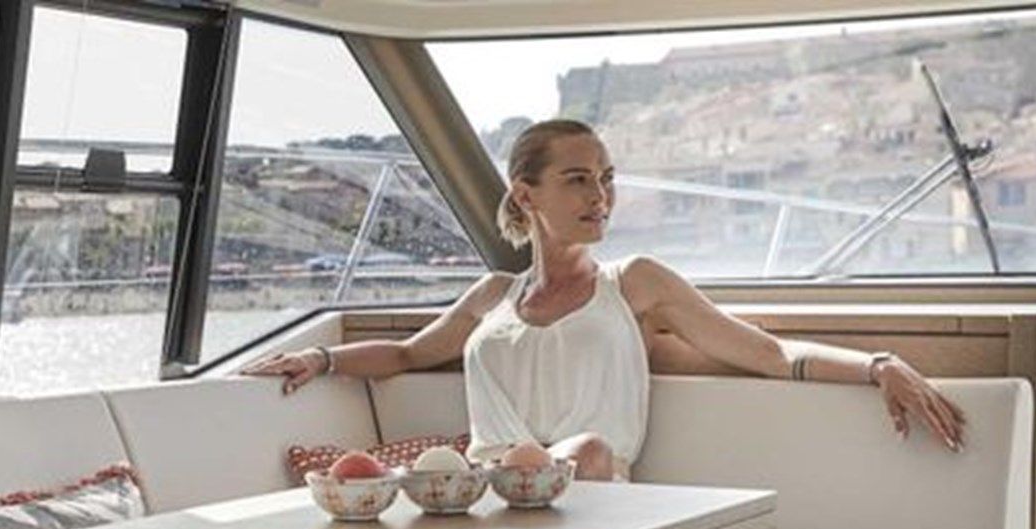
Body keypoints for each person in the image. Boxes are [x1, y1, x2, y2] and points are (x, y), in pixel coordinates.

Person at [242, 119, 966, 482]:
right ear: (527, 195)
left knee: (584, 450)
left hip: (586, 508)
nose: (602, 196)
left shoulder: (635, 284)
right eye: (579, 180)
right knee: (431, 476)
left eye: (607, 178)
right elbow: (406, 354)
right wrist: (319, 358)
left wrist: (878, 365)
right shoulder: (492, 296)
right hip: (485, 497)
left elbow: (770, 354)